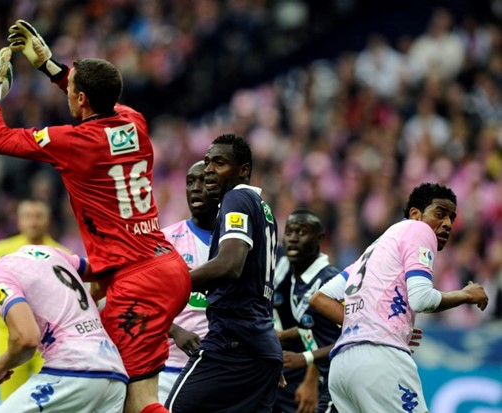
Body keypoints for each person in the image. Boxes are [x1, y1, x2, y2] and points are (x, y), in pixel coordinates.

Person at [0, 21, 190, 413]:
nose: (66, 94)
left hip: (135, 278)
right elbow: (103, 99)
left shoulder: (74, 142)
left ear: (81, 99)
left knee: (132, 399)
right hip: (163, 267)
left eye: (69, 90)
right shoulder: (134, 122)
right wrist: (50, 66)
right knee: (134, 398)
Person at [309, 182, 489, 413]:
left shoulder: (376, 247)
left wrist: (377, 320)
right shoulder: (419, 230)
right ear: (415, 214)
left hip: (342, 367)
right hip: (379, 360)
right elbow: (421, 298)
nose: (447, 224)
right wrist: (465, 295)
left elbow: (320, 298)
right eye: (440, 214)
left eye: (451, 218)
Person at [166, 134, 283, 413]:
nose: (208, 169)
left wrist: (173, 284)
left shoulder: (236, 198)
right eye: (207, 162)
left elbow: (230, 265)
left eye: (218, 163)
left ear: (242, 170)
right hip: (263, 347)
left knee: (171, 409)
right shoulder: (264, 210)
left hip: (231, 342)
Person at [0, 244, 128, 413]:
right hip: (114, 375)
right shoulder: (41, 252)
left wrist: (0, 365)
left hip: (75, 369)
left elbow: (26, 339)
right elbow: (103, 269)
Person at [0, 199, 66, 402]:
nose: (33, 222)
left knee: (54, 401)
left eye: (38, 216)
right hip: (8, 336)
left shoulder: (62, 253)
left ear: (48, 220)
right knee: (10, 401)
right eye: (28, 216)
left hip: (49, 338)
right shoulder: (0, 250)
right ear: (19, 221)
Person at [158, 160, 218, 403]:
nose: (195, 187)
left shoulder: (237, 242)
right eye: (190, 182)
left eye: (203, 181)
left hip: (221, 369)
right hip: (171, 366)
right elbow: (141, 300)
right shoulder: (165, 240)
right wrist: (175, 331)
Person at [273, 208, 341, 413]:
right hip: (326, 377)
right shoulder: (298, 279)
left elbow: (357, 333)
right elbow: (315, 326)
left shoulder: (329, 282)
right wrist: (282, 336)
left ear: (320, 239)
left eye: (301, 233)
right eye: (289, 232)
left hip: (341, 379)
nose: (293, 238)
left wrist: (306, 359)